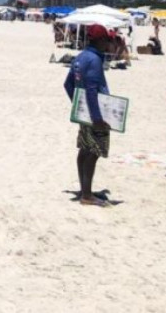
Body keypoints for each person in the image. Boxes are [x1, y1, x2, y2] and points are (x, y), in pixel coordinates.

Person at [64, 24, 116, 207]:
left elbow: (68, 84)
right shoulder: (94, 60)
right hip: (96, 114)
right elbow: (93, 91)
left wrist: (78, 105)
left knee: (84, 149)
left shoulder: (80, 57)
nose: (109, 43)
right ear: (100, 40)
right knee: (94, 152)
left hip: (84, 112)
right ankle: (86, 195)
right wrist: (97, 118)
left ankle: (84, 189)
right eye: (108, 39)